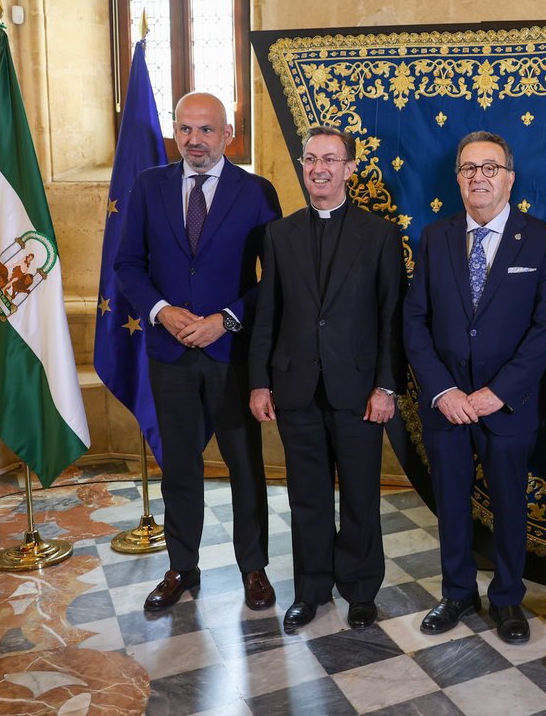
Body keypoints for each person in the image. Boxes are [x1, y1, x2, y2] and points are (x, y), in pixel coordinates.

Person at [115, 92, 281, 612]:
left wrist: (225, 318)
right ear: (176, 133)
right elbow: (126, 266)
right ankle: (181, 568)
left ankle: (253, 569)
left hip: (231, 356)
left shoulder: (256, 192)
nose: (195, 140)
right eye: (185, 129)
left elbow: (274, 280)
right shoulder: (149, 186)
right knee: (180, 468)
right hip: (170, 355)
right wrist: (161, 310)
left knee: (244, 467)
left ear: (227, 135)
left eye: (206, 130)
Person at [403, 131, 546, 644]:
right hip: (446, 405)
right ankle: (456, 593)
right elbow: (415, 321)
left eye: (490, 168)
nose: (479, 177)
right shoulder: (435, 237)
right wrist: (443, 391)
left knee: (510, 504)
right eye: (469, 168)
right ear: (457, 179)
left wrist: (499, 391)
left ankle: (508, 599)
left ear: (509, 178)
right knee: (450, 502)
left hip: (507, 405)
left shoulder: (540, 239)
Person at [248, 125, 403, 632]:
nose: (319, 168)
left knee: (360, 492)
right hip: (295, 387)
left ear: (349, 169)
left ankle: (360, 589)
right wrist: (259, 382)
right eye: (311, 159)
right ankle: (312, 588)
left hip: (358, 389)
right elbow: (267, 314)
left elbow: (390, 317)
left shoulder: (378, 234)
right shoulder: (278, 234)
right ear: (303, 165)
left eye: (331, 160)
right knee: (307, 494)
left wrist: (386, 386)